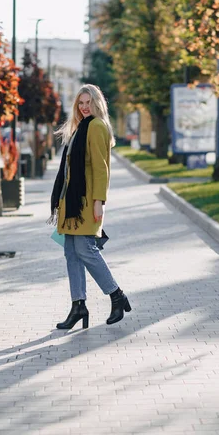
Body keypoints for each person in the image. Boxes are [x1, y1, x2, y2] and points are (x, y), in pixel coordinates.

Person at [49, 84, 131, 329]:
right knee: (71, 253)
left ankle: (117, 295)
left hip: (85, 203)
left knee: (85, 250)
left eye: (88, 103)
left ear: (97, 104)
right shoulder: (81, 128)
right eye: (80, 103)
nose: (84, 107)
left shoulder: (95, 126)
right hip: (72, 203)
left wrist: (99, 202)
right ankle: (78, 306)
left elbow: (100, 168)